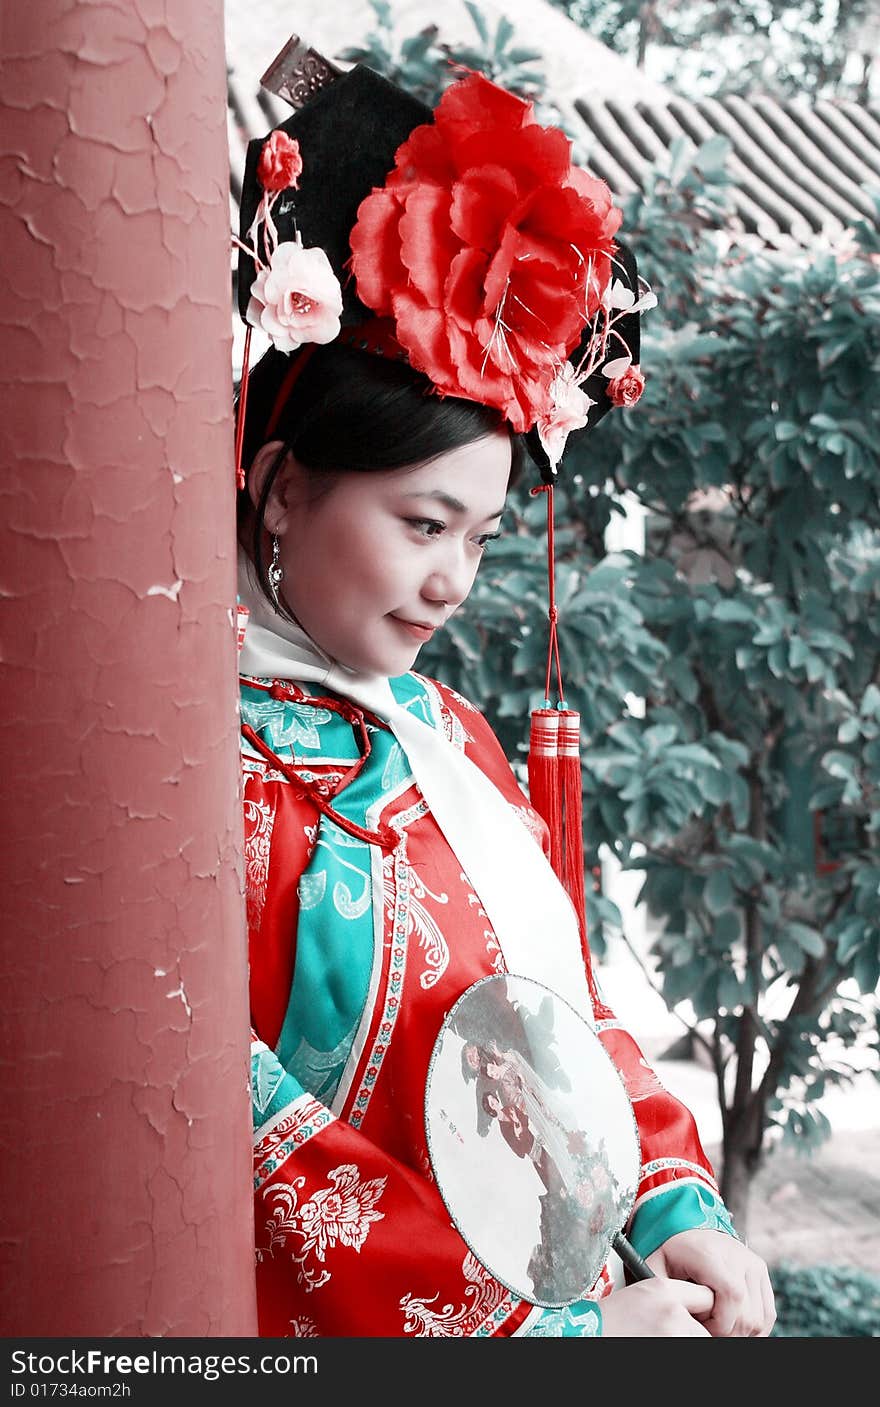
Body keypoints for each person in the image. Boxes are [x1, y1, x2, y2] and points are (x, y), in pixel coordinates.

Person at [234, 40, 777, 1338]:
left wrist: (674, 1202)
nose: (452, 583)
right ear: (278, 486)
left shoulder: (445, 742)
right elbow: (253, 1146)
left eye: (479, 541)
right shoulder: (170, 777)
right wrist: (548, 1342)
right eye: (423, 524)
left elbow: (559, 1018)